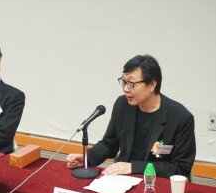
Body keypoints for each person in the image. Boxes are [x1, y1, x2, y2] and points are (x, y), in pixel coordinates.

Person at [66, 54, 196, 178]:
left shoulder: (180, 118)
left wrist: (133, 167)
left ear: (151, 85)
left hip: (157, 183)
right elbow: (110, 144)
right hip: (122, 178)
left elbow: (180, 168)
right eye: (123, 82)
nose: (126, 89)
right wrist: (87, 157)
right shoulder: (123, 104)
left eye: (131, 84)